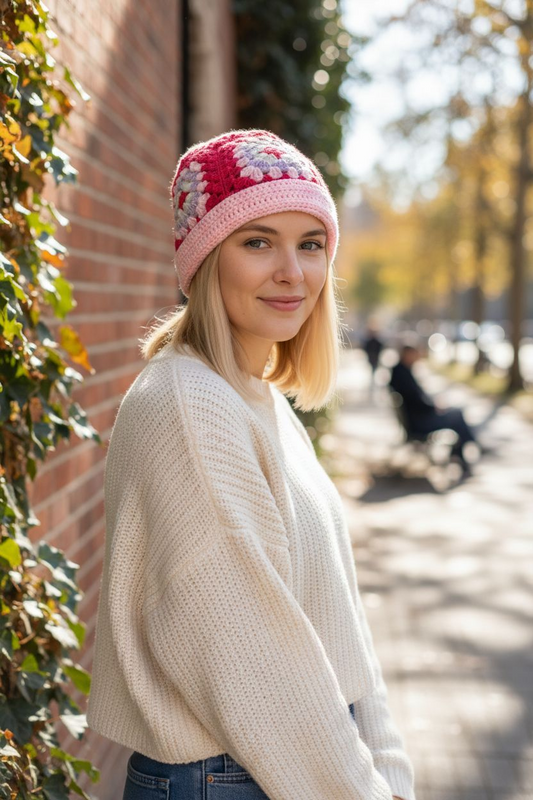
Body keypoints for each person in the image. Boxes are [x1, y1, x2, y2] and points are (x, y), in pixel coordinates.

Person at [86, 129, 415, 800]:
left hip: (292, 766)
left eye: (311, 244)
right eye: (257, 242)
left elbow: (338, 624)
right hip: (238, 776)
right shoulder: (188, 405)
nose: (292, 272)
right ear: (206, 259)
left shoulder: (254, 395)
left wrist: (389, 767)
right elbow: (259, 666)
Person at [389, 343, 478, 473]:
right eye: (414, 354)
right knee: (456, 416)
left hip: (418, 418)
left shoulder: (401, 371)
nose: (417, 357)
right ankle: (465, 449)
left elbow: (416, 399)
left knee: (456, 415)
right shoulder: (402, 374)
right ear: (407, 354)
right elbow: (416, 401)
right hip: (419, 423)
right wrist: (434, 408)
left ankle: (460, 453)